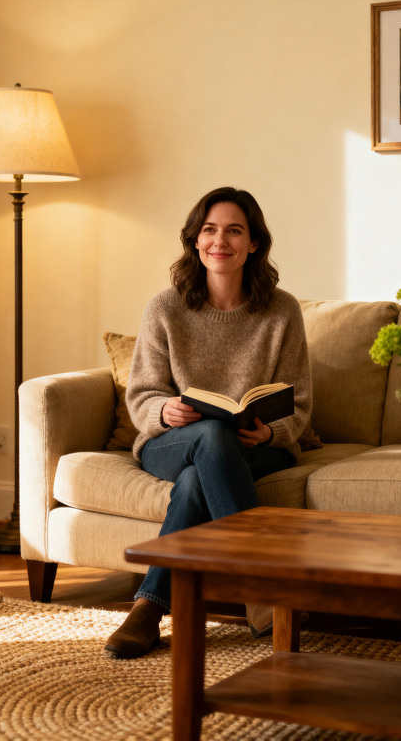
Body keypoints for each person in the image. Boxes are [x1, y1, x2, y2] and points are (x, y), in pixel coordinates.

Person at [104, 186, 313, 659]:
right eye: (210, 230)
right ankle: (260, 588)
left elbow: (298, 400)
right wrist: (164, 411)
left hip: (256, 446)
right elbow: (142, 393)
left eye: (234, 231)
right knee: (210, 438)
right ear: (195, 241)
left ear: (253, 243)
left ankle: (147, 609)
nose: (221, 241)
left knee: (198, 479)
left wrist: (271, 431)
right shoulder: (165, 307)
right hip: (170, 442)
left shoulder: (282, 311)